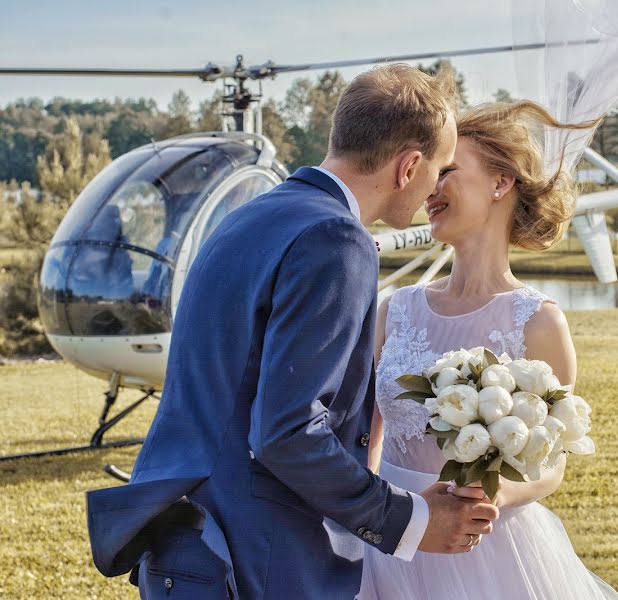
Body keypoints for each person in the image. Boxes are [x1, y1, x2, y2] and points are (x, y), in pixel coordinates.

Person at [85, 63, 501, 600]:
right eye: (437, 170)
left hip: (191, 547)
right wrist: (411, 520)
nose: (433, 188)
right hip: (261, 558)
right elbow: (287, 433)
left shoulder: (249, 218)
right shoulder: (337, 238)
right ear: (408, 166)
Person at [358, 100, 618, 599]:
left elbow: (552, 461)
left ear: (501, 183)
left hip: (488, 553)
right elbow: (363, 441)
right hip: (389, 545)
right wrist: (376, 519)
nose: (431, 188)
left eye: (449, 171)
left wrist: (484, 501)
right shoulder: (393, 311)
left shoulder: (539, 322)